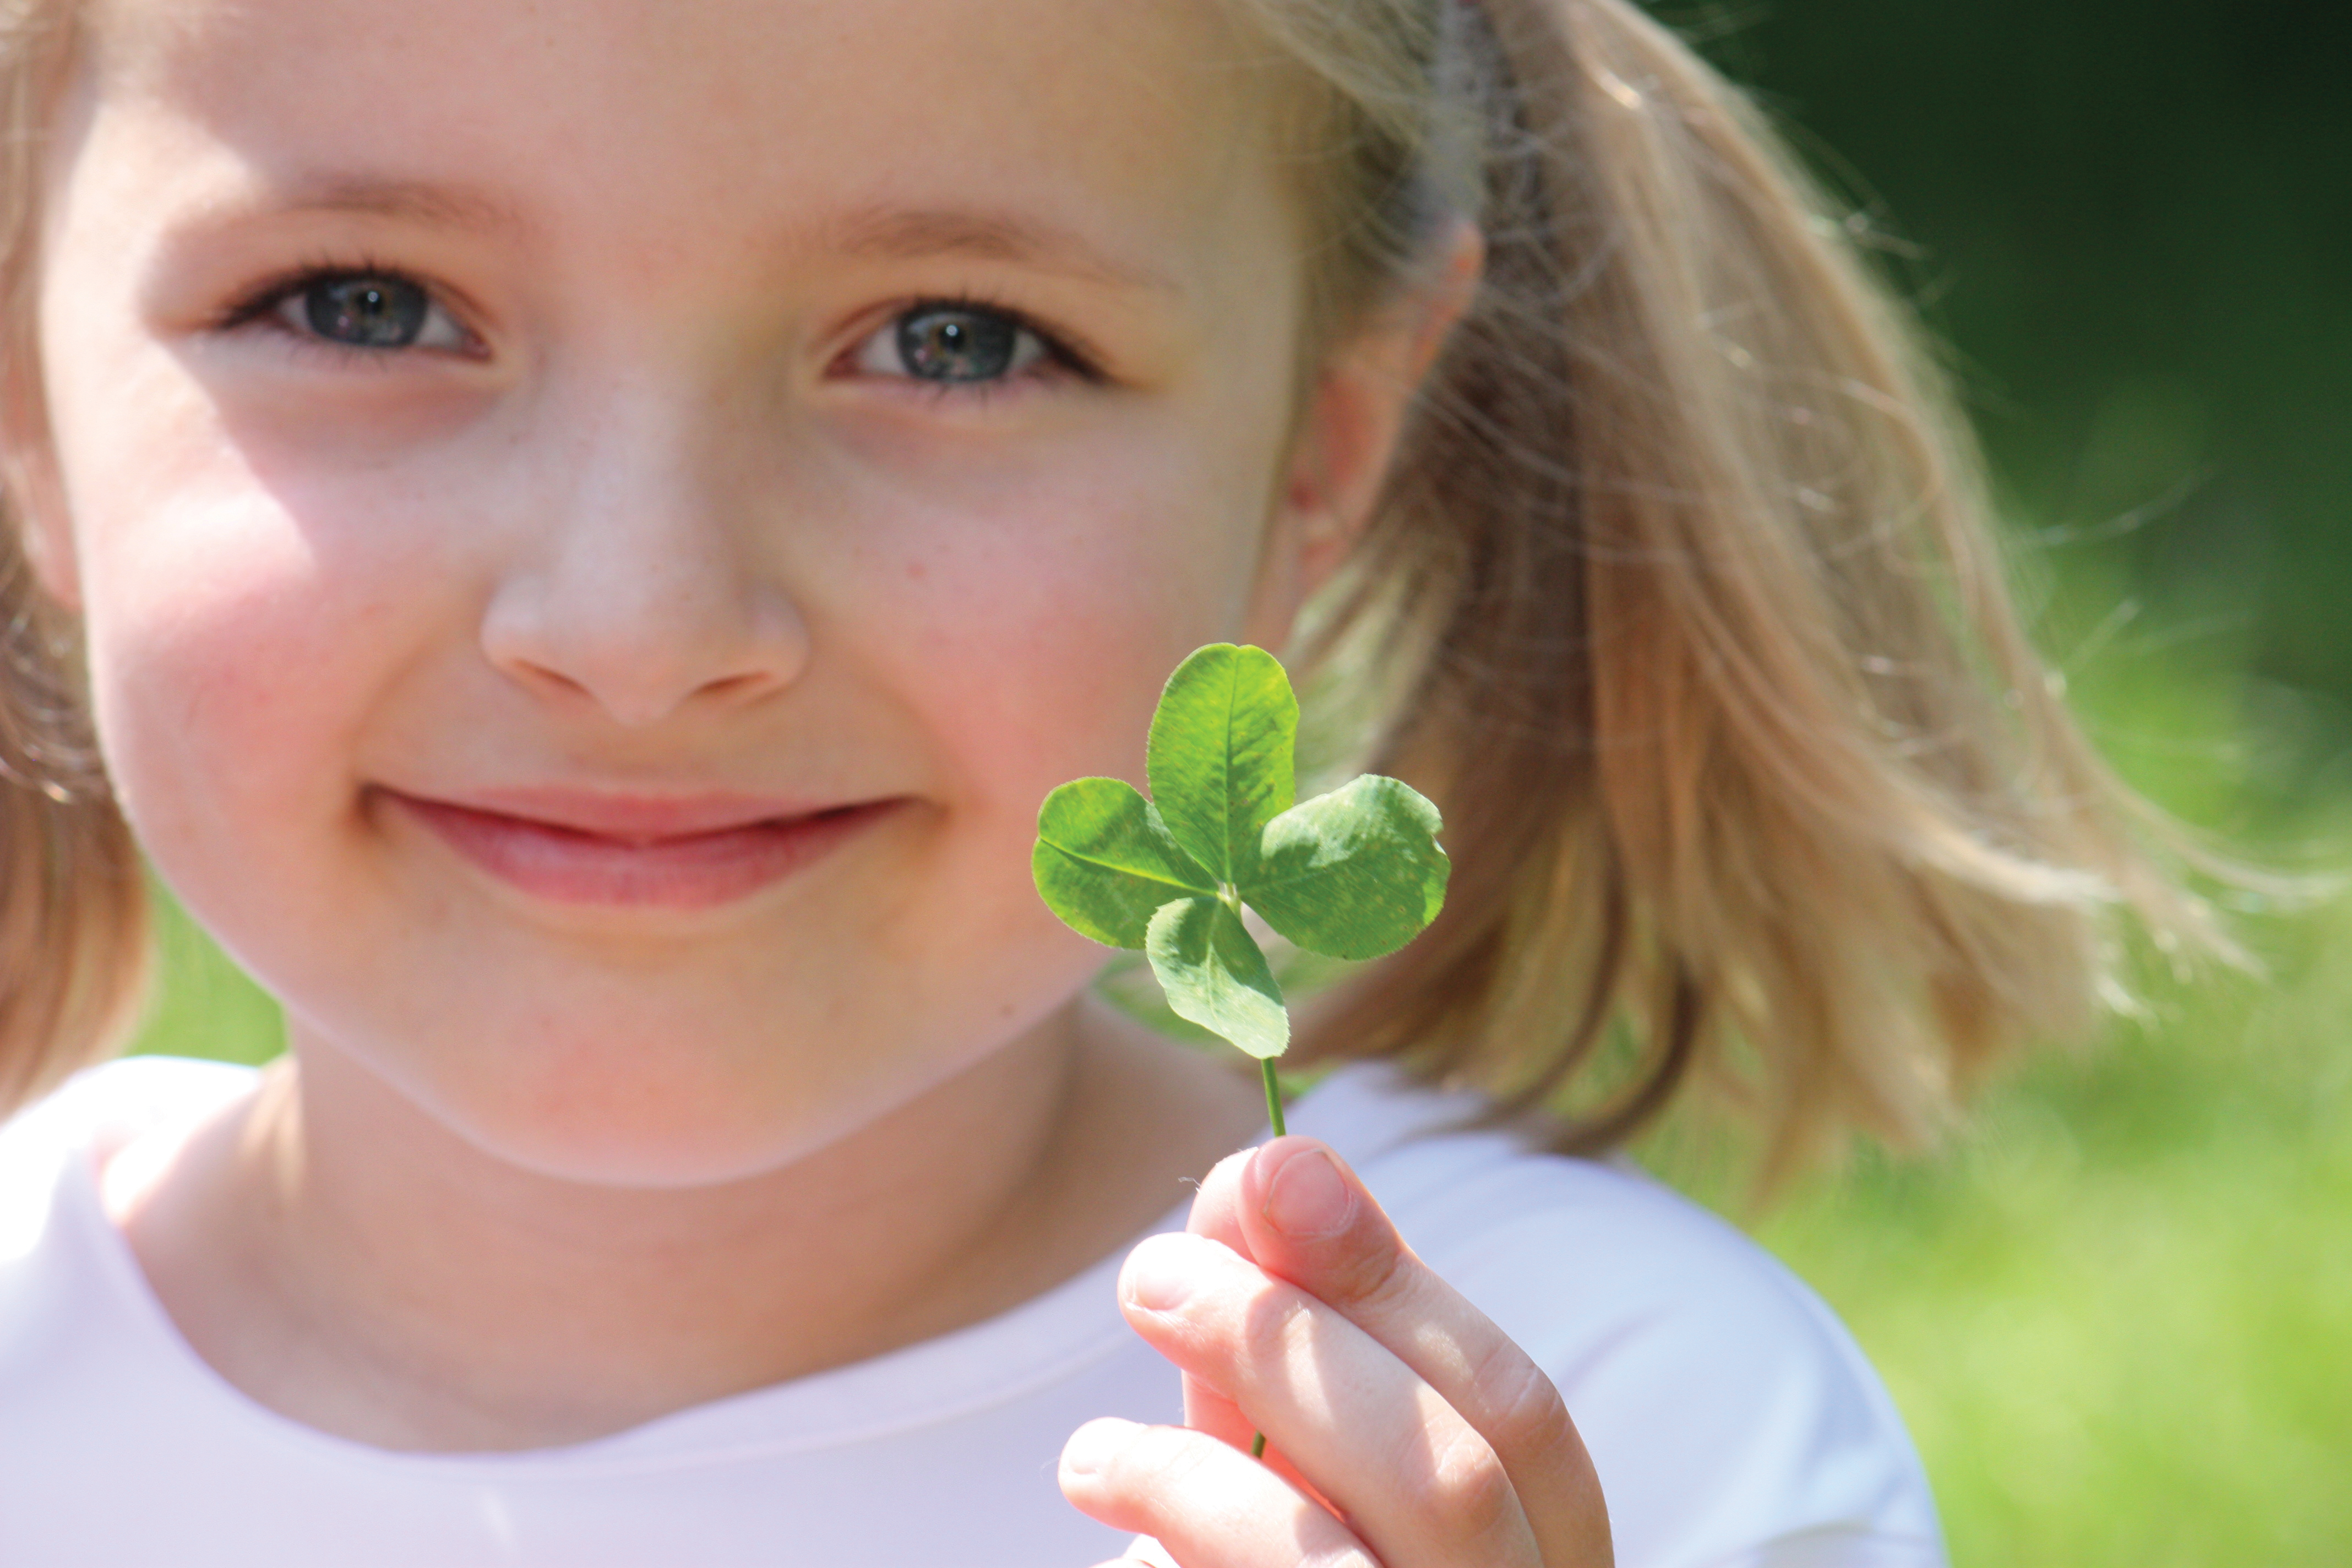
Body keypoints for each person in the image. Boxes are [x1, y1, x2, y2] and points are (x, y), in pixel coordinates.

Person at [0, 0, 2219, 1564]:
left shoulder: (1585, 1434)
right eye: (367, 302)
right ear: (24, 392)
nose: (646, 620)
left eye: (956, 337)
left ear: (1317, 457)